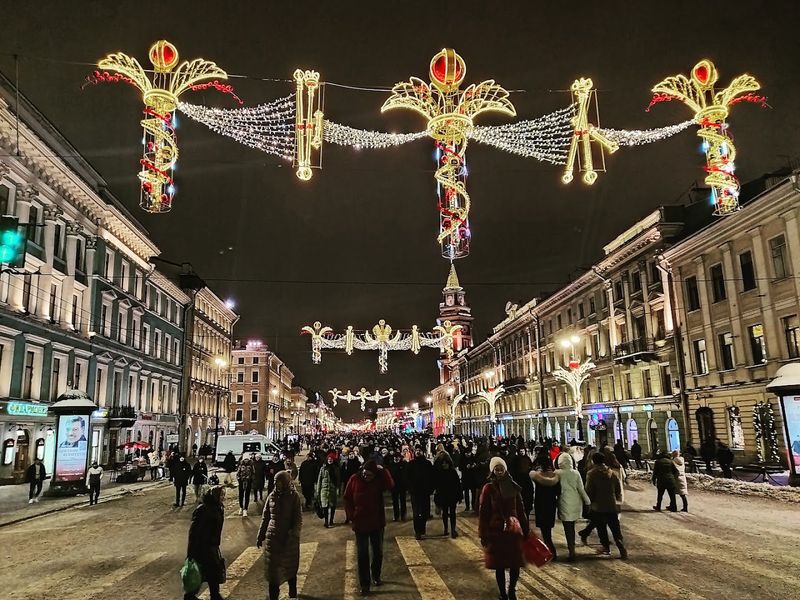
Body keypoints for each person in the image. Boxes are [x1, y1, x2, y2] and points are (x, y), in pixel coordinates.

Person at [479, 457, 529, 600]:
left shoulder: (513, 486)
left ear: (505, 469)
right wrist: (483, 533)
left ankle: (512, 590)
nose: (500, 471)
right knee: (499, 565)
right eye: (497, 469)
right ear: (492, 471)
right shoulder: (488, 488)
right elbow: (484, 512)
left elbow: (520, 509)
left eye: (501, 468)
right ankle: (502, 593)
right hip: (497, 531)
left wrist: (525, 529)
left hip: (513, 531)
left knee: (515, 563)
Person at [343, 460, 395, 596]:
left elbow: (390, 485)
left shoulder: (378, 480)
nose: (366, 476)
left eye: (370, 475)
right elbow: (347, 498)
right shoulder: (354, 479)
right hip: (360, 523)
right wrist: (351, 515)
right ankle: (365, 584)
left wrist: (383, 470)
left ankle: (376, 575)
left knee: (378, 552)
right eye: (365, 473)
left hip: (376, 523)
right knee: (362, 554)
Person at [257, 470, 303, 600]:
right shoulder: (272, 496)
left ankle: (292, 594)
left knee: (290, 569)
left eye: (279, 482)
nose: (277, 484)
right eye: (275, 482)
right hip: (273, 539)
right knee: (273, 573)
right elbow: (266, 517)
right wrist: (260, 535)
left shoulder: (294, 497)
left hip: (288, 540)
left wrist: (294, 534)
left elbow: (298, 519)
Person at [185, 486, 226, 600]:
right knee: (199, 573)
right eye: (221, 495)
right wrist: (190, 553)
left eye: (223, 495)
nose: (223, 497)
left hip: (212, 546)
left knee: (213, 572)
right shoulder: (202, 509)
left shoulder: (218, 508)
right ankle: (190, 596)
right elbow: (193, 532)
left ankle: (214, 595)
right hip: (202, 547)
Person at [585, 453, 627, 559]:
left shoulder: (591, 474)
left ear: (593, 461)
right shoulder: (612, 473)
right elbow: (618, 489)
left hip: (598, 506)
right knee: (615, 527)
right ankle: (620, 544)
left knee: (601, 527)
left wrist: (589, 502)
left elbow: (589, 490)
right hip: (612, 504)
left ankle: (606, 547)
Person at [556, 452, 590, 561]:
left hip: (564, 503)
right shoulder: (576, 473)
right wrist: (587, 502)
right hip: (575, 503)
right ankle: (572, 549)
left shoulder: (557, 473)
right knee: (572, 527)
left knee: (568, 528)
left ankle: (572, 551)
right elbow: (581, 489)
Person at [531, 454, 560, 560]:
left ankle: (551, 553)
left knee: (545, 532)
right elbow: (558, 491)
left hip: (540, 504)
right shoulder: (555, 476)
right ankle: (551, 552)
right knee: (548, 531)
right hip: (551, 504)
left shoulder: (536, 476)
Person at [407, 446, 435, 540]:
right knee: (416, 513)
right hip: (415, 492)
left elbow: (432, 477)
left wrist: (431, 489)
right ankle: (417, 531)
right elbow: (407, 477)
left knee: (425, 513)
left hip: (425, 492)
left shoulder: (427, 464)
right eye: (416, 450)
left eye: (419, 450)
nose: (418, 452)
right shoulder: (411, 464)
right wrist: (410, 488)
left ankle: (422, 529)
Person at [433, 451, 462, 538]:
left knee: (452, 513)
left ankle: (452, 529)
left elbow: (458, 485)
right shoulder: (440, 473)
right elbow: (437, 486)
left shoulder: (452, 472)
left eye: (446, 463)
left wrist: (459, 496)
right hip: (444, 496)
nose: (444, 465)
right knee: (445, 513)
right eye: (443, 463)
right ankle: (446, 529)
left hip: (452, 496)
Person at [315, 452, 341, 527]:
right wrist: (318, 490)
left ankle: (331, 520)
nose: (330, 460)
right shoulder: (323, 468)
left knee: (333, 506)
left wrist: (338, 489)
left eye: (331, 459)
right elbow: (319, 480)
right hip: (324, 490)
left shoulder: (336, 469)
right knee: (325, 506)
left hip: (333, 489)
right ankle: (326, 522)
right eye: (329, 458)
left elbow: (338, 480)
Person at [512, 448, 534, 519]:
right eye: (520, 451)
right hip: (520, 483)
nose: (522, 452)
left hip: (524, 483)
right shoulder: (516, 460)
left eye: (523, 451)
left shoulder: (526, 459)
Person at [386, 453, 408, 521]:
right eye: (395, 457)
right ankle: (396, 516)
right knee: (395, 501)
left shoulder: (404, 464)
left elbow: (405, 475)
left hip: (402, 485)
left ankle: (403, 515)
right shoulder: (391, 465)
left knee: (402, 501)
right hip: (394, 486)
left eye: (398, 457)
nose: (397, 458)